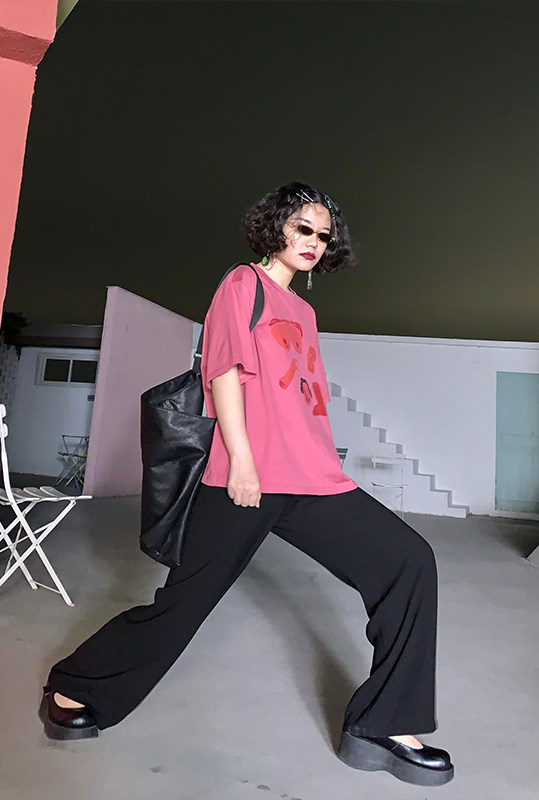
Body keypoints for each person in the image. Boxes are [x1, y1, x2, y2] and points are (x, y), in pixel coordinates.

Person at [39, 182, 454, 787]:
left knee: (409, 561)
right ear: (275, 226)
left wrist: (323, 464)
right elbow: (224, 373)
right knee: (183, 606)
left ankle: (384, 724)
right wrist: (240, 460)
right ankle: (75, 686)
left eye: (323, 235)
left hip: (311, 478)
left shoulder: (305, 312)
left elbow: (303, 401)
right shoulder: (243, 284)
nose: (313, 242)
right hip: (246, 476)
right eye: (302, 228)